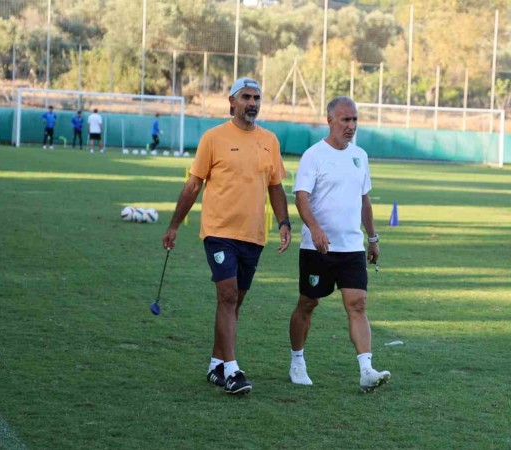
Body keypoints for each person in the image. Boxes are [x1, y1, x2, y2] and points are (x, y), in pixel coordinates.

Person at [161, 77, 291, 395]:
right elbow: (193, 185)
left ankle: (216, 364)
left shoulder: (270, 141)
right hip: (219, 231)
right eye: (246, 97)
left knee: (234, 302)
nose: (252, 103)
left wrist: (284, 222)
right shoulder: (213, 138)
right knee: (228, 296)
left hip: (253, 234)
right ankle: (233, 371)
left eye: (256, 98)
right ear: (231, 102)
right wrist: (174, 225)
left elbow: (275, 186)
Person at [288, 96, 390, 392]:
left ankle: (366, 370)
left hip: (352, 248)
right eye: (346, 119)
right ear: (330, 120)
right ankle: (297, 360)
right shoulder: (313, 155)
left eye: (355, 119)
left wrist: (373, 238)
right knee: (308, 303)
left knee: (357, 304)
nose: (351, 125)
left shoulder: (360, 155)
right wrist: (315, 229)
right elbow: (301, 197)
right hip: (317, 248)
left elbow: (364, 200)